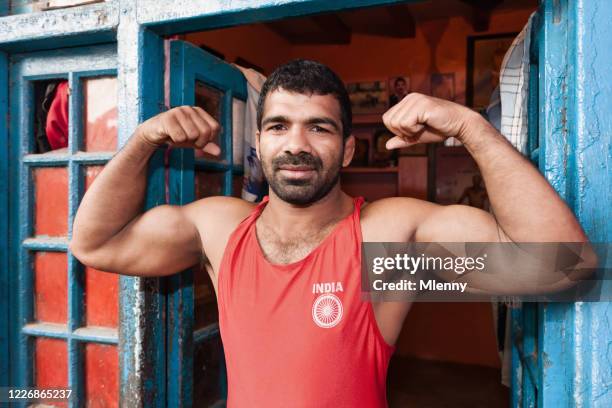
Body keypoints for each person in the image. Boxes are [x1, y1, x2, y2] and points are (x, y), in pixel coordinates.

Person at [70, 59, 588, 407]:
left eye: (318, 127)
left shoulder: (383, 244)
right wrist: (142, 141)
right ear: (259, 143)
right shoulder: (221, 228)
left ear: (345, 150)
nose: (296, 145)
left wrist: (471, 128)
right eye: (278, 126)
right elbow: (95, 242)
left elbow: (563, 269)